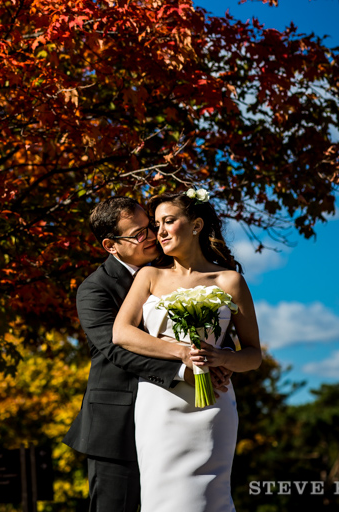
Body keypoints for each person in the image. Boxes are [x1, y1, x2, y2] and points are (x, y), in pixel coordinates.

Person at [63, 196, 231, 512]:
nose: (153, 236)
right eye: (139, 234)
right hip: (118, 424)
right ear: (111, 245)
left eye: (150, 226)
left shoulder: (172, 271)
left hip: (178, 419)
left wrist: (220, 359)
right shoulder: (94, 289)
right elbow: (116, 350)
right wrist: (185, 367)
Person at [112, 190, 262, 512]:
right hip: (160, 403)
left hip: (213, 407)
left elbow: (253, 355)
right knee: (160, 497)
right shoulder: (149, 276)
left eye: (168, 221)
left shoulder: (229, 280)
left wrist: (223, 358)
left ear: (196, 225)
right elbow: (121, 332)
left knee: (211, 498)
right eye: (156, 224)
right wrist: (180, 352)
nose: (160, 232)